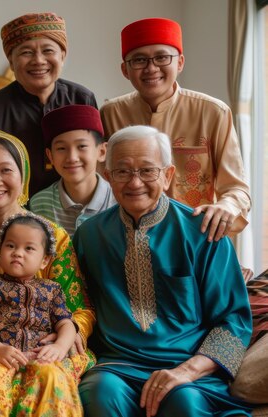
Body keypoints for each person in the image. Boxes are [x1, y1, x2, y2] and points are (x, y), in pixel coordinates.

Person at [73, 125, 252, 417]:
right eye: (122, 172)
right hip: (118, 366)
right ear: (107, 177)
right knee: (99, 394)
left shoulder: (204, 232)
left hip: (189, 368)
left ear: (168, 176)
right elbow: (77, 304)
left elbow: (235, 321)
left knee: (183, 404)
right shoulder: (88, 235)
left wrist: (186, 371)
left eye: (147, 171)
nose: (135, 183)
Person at [0, 128, 95, 361]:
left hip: (44, 351)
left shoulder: (53, 236)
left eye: (6, 170)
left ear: (22, 176)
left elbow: (81, 310)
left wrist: (66, 335)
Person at [99, 17, 251, 243]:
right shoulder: (110, 113)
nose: (151, 68)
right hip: (128, 238)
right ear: (125, 69)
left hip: (195, 237)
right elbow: (102, 182)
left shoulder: (213, 112)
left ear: (179, 62)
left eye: (161, 57)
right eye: (139, 60)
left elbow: (237, 189)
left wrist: (226, 205)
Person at [0, 212, 88, 416]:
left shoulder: (52, 290)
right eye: (10, 246)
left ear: (44, 261)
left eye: (29, 248)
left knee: (51, 375)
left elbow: (66, 323)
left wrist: (60, 346)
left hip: (39, 352)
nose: (18, 253)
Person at [0, 12, 98, 196]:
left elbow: (96, 160)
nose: (38, 60)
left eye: (48, 51)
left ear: (62, 56)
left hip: (75, 207)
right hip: (14, 211)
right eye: (26, 52)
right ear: (11, 62)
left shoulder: (81, 98)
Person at [30, 104, 115, 236]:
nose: (72, 158)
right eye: (61, 148)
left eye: (81, 146)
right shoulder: (39, 204)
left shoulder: (118, 199)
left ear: (102, 151)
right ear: (50, 156)